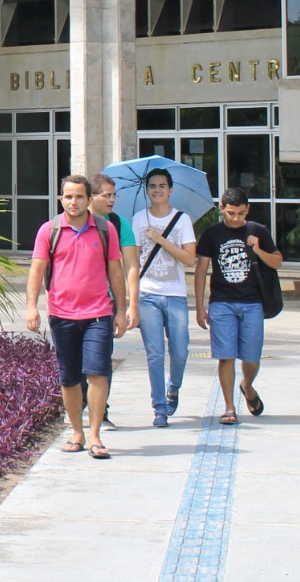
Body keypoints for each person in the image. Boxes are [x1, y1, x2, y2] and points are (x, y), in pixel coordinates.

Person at [26, 175, 128, 459]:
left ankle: (94, 434)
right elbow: (37, 270)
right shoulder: (50, 230)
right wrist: (31, 306)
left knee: (97, 372)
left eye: (79, 197)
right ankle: (77, 432)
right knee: (69, 377)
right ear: (61, 199)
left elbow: (115, 272)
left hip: (98, 313)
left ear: (89, 199)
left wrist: (121, 310)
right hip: (62, 314)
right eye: (68, 197)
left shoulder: (105, 230)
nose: (74, 202)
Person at [194, 188, 282, 426]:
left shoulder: (257, 230)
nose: (236, 219)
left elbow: (277, 261)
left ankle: (247, 386)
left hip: (252, 303)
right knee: (226, 356)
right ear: (221, 208)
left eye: (241, 213)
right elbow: (201, 270)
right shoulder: (212, 234)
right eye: (231, 213)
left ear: (248, 210)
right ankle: (229, 407)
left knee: (252, 358)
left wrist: (258, 249)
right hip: (221, 303)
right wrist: (200, 307)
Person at [131, 168, 197, 428]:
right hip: (148, 294)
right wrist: (131, 299)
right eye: (152, 186)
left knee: (180, 351)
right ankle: (159, 408)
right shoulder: (138, 219)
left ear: (171, 190)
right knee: (155, 353)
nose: (156, 190)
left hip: (175, 294)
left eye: (161, 186)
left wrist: (160, 239)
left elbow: (189, 258)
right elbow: (133, 261)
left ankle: (174, 387)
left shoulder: (182, 220)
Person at [89, 174, 138, 429]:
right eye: (106, 195)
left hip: (105, 302)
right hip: (74, 303)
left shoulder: (118, 225)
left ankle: (101, 411)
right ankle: (78, 408)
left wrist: (130, 306)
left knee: (101, 359)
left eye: (113, 195)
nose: (111, 200)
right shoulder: (68, 224)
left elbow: (131, 267)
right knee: (74, 361)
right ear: (91, 197)